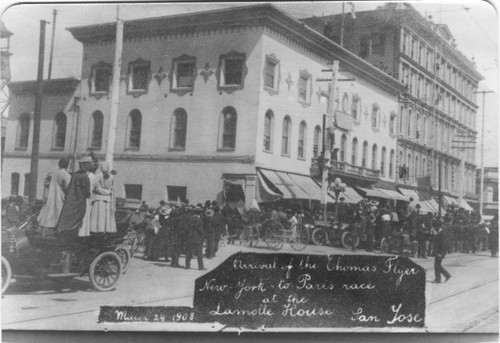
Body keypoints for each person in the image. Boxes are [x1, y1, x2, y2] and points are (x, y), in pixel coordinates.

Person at [56, 156, 93, 242]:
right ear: (85, 165)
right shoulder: (84, 177)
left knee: (68, 219)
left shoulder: (75, 175)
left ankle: (62, 236)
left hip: (71, 201)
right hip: (80, 202)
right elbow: (87, 193)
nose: (91, 165)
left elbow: (69, 188)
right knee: (78, 220)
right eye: (89, 164)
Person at [38, 157, 72, 237]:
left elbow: (46, 184)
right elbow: (68, 187)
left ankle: (44, 231)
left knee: (48, 212)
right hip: (59, 196)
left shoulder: (52, 172)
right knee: (57, 213)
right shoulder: (66, 175)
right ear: (67, 165)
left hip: (50, 195)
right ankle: (55, 233)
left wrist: (45, 195)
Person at [89, 161, 117, 234]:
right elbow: (112, 189)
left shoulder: (99, 175)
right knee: (105, 216)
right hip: (107, 199)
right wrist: (107, 192)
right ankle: (105, 229)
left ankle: (98, 229)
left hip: (99, 199)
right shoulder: (111, 176)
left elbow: (94, 187)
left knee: (99, 216)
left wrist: (100, 191)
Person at [185, 206, 206, 270]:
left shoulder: (190, 219)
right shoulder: (199, 220)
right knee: (199, 253)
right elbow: (200, 230)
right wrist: (203, 235)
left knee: (189, 252)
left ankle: (187, 265)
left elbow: (187, 228)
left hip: (190, 237)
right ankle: (201, 267)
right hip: (197, 238)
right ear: (200, 213)